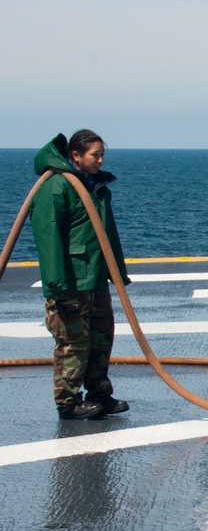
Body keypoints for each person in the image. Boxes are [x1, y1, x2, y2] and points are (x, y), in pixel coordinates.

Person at [30, 130, 132, 420]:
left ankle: (99, 393)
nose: (100, 160)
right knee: (73, 341)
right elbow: (48, 237)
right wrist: (56, 286)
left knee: (101, 337)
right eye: (94, 155)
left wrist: (116, 273)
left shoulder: (95, 187)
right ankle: (68, 402)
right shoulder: (57, 187)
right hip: (71, 282)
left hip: (96, 277)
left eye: (102, 155)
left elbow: (107, 234)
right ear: (75, 155)